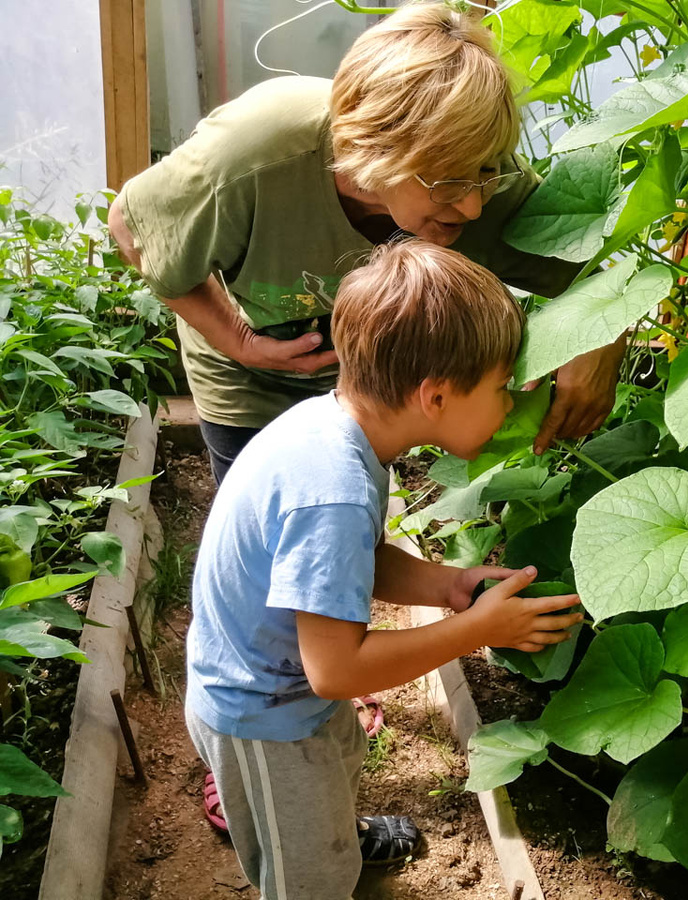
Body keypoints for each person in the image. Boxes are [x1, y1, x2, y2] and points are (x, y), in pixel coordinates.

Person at [184, 240, 583, 898]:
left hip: (282, 686)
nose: (510, 403)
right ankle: (315, 866)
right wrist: (476, 630)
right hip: (262, 714)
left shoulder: (337, 427)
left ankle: (332, 833)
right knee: (305, 873)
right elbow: (337, 670)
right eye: (499, 388)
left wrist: (448, 587)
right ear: (435, 396)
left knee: (336, 760)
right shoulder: (334, 490)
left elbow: (352, 564)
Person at [108, 0, 623, 484]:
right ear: (373, 150)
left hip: (376, 397)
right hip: (250, 386)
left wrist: (604, 341)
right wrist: (239, 342)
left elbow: (587, 276)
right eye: (447, 182)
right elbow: (132, 230)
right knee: (270, 523)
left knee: (351, 520)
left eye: (484, 174)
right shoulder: (254, 155)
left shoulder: (483, 174)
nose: (472, 207)